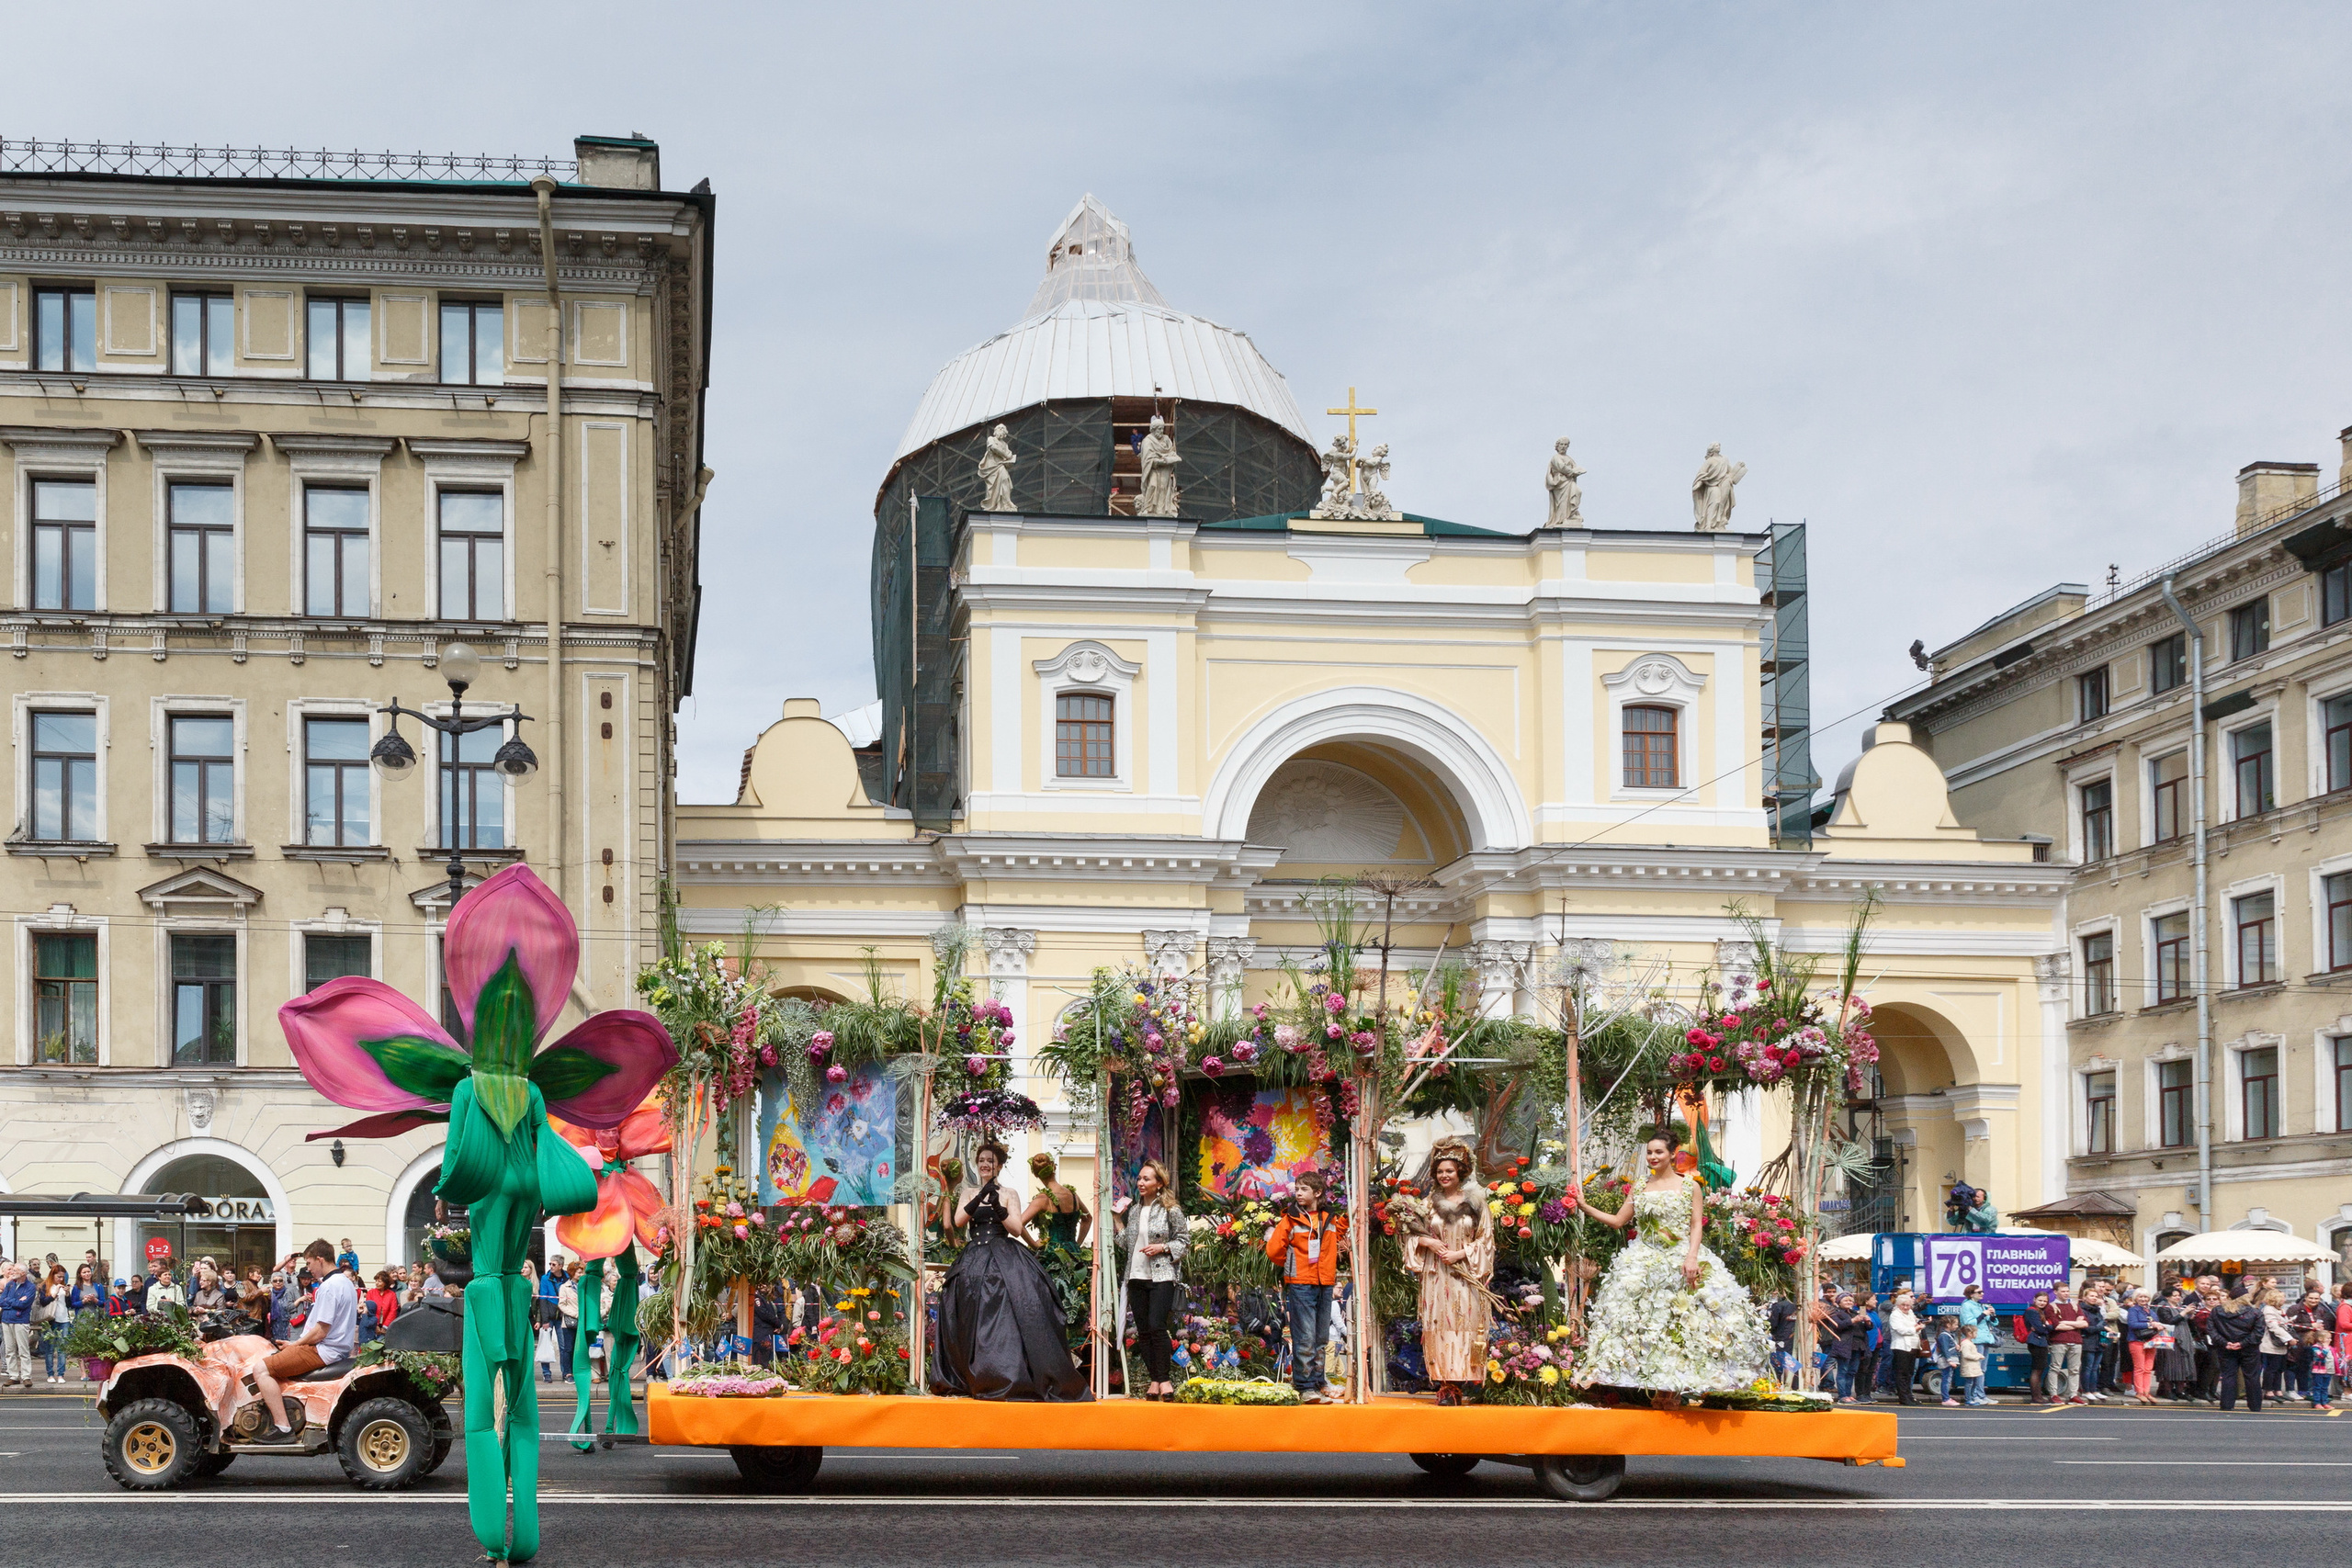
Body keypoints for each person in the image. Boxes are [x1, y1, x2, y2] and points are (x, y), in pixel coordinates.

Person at [1573, 1127, 1770, 1404]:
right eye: (1649, 1153)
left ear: (1672, 1154)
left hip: (1681, 1258)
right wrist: (1584, 1206)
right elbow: (1619, 1221)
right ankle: (1652, 1389)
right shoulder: (1640, 1186)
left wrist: (1691, 1258)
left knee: (1689, 1321)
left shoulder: (1690, 1186)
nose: (1652, 1157)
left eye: (1658, 1152)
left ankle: (1679, 1391)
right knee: (1642, 1323)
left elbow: (1695, 1227)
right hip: (1642, 1261)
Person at [931, 1141, 1090, 1401]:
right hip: (974, 1256)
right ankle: (971, 1373)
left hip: (1003, 1253)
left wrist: (997, 1204)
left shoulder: (1010, 1193)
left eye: (990, 1161)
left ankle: (1005, 1371)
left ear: (999, 1166)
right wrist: (980, 1197)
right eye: (981, 1160)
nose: (984, 1164)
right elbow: (959, 1222)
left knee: (1011, 1307)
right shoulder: (969, 1192)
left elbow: (1016, 1229)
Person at [1405, 1139, 1496, 1406]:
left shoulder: (1477, 1203)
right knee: (1439, 1326)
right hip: (1436, 1275)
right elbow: (1409, 1237)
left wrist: (1461, 1253)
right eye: (1440, 1171)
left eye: (1450, 1171)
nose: (1444, 1176)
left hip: (1465, 1275)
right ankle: (1446, 1385)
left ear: (1461, 1172)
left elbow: (1487, 1240)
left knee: (1465, 1324)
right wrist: (1427, 1242)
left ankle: (1465, 1381)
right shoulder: (1427, 1205)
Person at [248, 1239, 358, 1444]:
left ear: (319, 1259)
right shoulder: (346, 1283)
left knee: (260, 1370)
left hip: (321, 1349)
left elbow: (320, 1331)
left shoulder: (329, 1286)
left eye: (308, 1263)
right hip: (337, 1349)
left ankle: (282, 1427)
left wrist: (295, 1345)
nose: (308, 1269)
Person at [1265, 1165, 1345, 1404]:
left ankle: (1319, 1381)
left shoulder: (1329, 1218)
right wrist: (1292, 1266)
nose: (1298, 1193)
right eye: (1297, 1189)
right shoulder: (1290, 1219)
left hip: (1325, 1282)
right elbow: (1273, 1250)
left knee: (1321, 1336)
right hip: (1301, 1283)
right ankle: (1304, 1385)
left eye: (1304, 1189)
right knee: (1305, 1336)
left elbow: (1342, 1232)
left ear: (1318, 1192)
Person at [1123, 1158, 1188, 1402]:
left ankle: (1165, 1379)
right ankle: (1154, 1380)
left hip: (1161, 1275)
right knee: (1143, 1331)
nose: (1140, 1182)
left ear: (1159, 1183)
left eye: (1146, 1178)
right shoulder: (1135, 1210)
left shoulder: (1171, 1209)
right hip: (1135, 1275)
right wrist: (1117, 1220)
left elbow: (1184, 1241)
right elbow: (1127, 1243)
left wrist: (1162, 1247)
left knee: (1157, 1326)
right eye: (1139, 1178)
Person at [2210, 1287, 2267, 1413]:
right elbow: (2258, 1333)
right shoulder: (2255, 1313)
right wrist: (2242, 1343)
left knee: (2228, 1376)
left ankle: (2227, 1405)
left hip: (2226, 1348)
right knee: (2252, 1377)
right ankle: (2255, 1405)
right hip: (2249, 1349)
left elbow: (2212, 1330)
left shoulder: (2217, 1311)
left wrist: (2225, 1343)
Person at [2044, 1285, 2088, 1404]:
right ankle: (2053, 1394)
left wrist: (2065, 1322)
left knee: (2074, 1369)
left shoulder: (2074, 1305)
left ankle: (2073, 1394)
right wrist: (2075, 1324)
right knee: (2055, 1368)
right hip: (2059, 1340)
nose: (2066, 1293)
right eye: (2063, 1291)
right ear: (2055, 1292)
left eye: (2067, 1291)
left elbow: (2084, 1324)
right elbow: (2057, 1326)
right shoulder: (2050, 1307)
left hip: (2076, 1341)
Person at [1883, 1290, 1921, 1406]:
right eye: (1903, 1305)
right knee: (1901, 1373)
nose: (1906, 1307)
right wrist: (1915, 1329)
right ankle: (1903, 1397)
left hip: (1912, 1346)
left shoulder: (1910, 1313)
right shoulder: (1895, 1315)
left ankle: (1909, 1396)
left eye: (1908, 1305)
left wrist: (1918, 1326)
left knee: (1909, 1373)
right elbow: (1900, 1330)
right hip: (1901, 1347)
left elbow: (1915, 1324)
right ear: (1898, 1305)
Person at [1821, 1291, 1860, 1401]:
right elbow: (1838, 1325)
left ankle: (1848, 1394)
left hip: (1855, 1346)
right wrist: (1853, 1321)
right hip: (1842, 1345)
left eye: (1851, 1300)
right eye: (1846, 1300)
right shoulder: (1835, 1313)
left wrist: (1867, 1322)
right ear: (1839, 1302)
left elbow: (1864, 1328)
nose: (1849, 1302)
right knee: (1843, 1370)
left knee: (1852, 1371)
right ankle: (1843, 1395)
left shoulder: (1854, 1312)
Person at [0, 1262, 34, 1388]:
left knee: (23, 1350)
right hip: (7, 1320)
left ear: (23, 1273)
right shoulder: (9, 1285)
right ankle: (13, 1375)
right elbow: (1, 1301)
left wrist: (9, 1301)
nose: (12, 1272)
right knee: (9, 1350)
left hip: (20, 1321)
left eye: (15, 1270)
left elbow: (23, 1305)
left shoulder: (30, 1287)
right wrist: (14, 1302)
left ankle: (26, 1376)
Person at [2019, 1291, 2052, 1404]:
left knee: (2040, 1369)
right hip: (2036, 1343)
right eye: (2040, 1300)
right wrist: (2047, 1326)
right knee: (2037, 1370)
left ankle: (2038, 1396)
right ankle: (2036, 1397)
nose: (2042, 1303)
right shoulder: (2032, 1312)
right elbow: (2041, 1329)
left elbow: (2044, 1327)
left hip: (2040, 1342)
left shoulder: (2041, 1312)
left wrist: (2046, 1326)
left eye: (2045, 1301)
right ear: (2034, 1300)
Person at [1930, 1314, 1962, 1405]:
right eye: (1955, 1324)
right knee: (1946, 1379)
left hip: (1948, 1359)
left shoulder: (1948, 1335)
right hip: (1946, 1360)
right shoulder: (1944, 1336)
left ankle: (1946, 1397)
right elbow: (1945, 1349)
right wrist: (1950, 1360)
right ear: (1948, 1325)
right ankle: (1945, 1399)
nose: (1957, 1326)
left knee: (1948, 1378)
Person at [1957, 1322, 1988, 1406]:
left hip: (1972, 1367)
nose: (1976, 1334)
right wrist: (1978, 1356)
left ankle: (1971, 1398)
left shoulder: (1968, 1342)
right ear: (1970, 1333)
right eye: (1975, 1332)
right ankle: (1968, 1399)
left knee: (1973, 1383)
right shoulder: (1966, 1344)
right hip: (1969, 1367)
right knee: (1969, 1383)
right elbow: (1966, 1355)